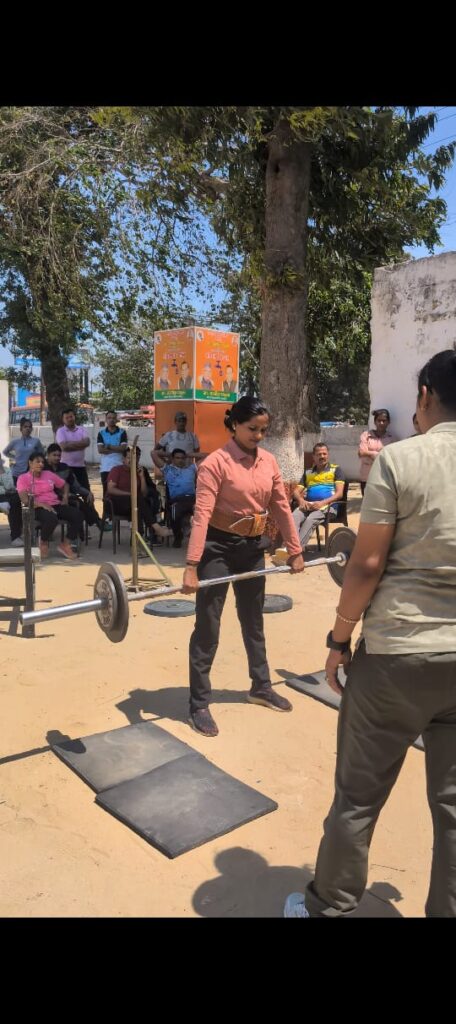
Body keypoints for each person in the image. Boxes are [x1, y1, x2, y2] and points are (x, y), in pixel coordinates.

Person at [284, 348, 456, 919]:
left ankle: (330, 905)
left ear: (426, 396)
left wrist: (339, 639)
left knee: (357, 797)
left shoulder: (400, 460)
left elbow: (366, 564)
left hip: (396, 656)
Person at [182, 395, 305, 737]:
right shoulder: (215, 464)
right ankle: (199, 703)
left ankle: (261, 686)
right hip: (216, 549)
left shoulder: (268, 462)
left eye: (263, 430)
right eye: (252, 429)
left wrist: (295, 550)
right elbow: (202, 515)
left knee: (253, 619)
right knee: (208, 625)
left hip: (252, 547)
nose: (258, 436)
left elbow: (281, 507)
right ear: (234, 424)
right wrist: (192, 564)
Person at [16, 452, 82, 560]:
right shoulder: (23, 478)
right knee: (51, 518)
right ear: (30, 463)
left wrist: (65, 497)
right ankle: (43, 542)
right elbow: (25, 500)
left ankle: (66, 544)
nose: (41, 464)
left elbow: (65, 484)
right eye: (38, 462)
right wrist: (42, 505)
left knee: (78, 515)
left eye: (42, 462)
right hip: (37, 507)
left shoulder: (48, 474)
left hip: (55, 504)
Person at [45, 443, 108, 541]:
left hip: (65, 497)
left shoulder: (64, 467)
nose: (57, 458)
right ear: (48, 455)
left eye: (59, 455)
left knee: (83, 500)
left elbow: (75, 485)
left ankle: (81, 534)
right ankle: (95, 522)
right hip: (48, 499)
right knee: (77, 503)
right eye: (54, 455)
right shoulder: (42, 468)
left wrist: (88, 493)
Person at [106, 447, 172, 541]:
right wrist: (130, 494)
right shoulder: (116, 470)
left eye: (135, 458)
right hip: (115, 503)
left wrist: (142, 477)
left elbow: (144, 493)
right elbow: (111, 489)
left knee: (138, 507)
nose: (132, 461)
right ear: (123, 459)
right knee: (137, 500)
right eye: (129, 458)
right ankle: (156, 528)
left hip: (134, 504)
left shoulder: (139, 471)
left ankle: (137, 540)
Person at [291, 443, 346, 549]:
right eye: (319, 454)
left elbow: (339, 494)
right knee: (294, 517)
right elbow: (296, 492)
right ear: (313, 456)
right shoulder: (308, 472)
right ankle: (291, 546)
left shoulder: (336, 470)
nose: (322, 456)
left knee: (311, 519)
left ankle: (296, 549)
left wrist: (322, 503)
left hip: (328, 506)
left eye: (324, 454)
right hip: (309, 505)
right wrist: (301, 501)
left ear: (328, 455)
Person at [152, 447, 197, 548]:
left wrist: (188, 455)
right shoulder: (168, 469)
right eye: (177, 458)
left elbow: (209, 456)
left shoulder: (191, 468)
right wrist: (170, 454)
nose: (180, 460)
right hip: (177, 500)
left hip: (192, 499)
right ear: (172, 459)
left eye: (182, 458)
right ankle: (178, 537)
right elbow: (153, 453)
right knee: (174, 513)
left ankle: (198, 538)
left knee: (202, 513)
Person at [358, 408, 396, 496]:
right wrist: (374, 454)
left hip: (384, 477)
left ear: (388, 422)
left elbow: (394, 456)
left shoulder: (392, 438)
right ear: (375, 422)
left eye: (384, 421)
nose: (381, 423)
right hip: (367, 476)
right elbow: (361, 452)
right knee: (367, 501)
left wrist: (370, 453)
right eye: (379, 420)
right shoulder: (366, 435)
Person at [55, 408, 91, 490]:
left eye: (71, 417)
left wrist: (69, 443)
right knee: (68, 492)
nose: (69, 419)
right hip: (66, 467)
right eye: (66, 418)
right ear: (63, 420)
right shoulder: (60, 431)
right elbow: (64, 447)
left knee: (86, 491)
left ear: (74, 416)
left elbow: (87, 443)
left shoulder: (82, 429)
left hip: (80, 466)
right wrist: (80, 444)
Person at [97, 410, 129, 498]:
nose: (111, 420)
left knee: (119, 492)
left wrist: (109, 446)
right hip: (105, 467)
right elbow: (100, 450)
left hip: (119, 466)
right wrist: (116, 448)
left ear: (116, 419)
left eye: (113, 418)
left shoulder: (122, 432)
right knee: (106, 494)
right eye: (109, 418)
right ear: (106, 419)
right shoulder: (101, 433)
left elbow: (123, 448)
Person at [3, 418, 45, 484]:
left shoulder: (36, 441)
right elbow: (5, 452)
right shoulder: (15, 442)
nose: (28, 428)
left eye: (30, 427)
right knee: (17, 490)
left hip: (31, 473)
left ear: (32, 429)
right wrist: (14, 458)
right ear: (21, 429)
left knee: (30, 489)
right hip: (17, 473)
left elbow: (42, 455)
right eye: (25, 427)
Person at [0, 456, 23, 546]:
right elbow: (6, 489)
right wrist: (4, 490)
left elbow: (10, 486)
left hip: (7, 496)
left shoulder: (7, 470)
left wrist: (2, 472)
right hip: (4, 495)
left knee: (16, 499)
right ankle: (3, 504)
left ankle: (15, 536)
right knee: (11, 498)